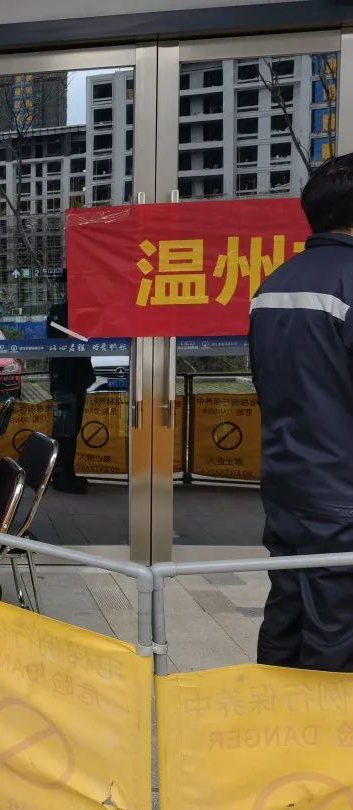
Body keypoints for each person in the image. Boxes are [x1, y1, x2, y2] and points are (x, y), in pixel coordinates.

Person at [249, 154, 353, 673]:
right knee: (338, 630)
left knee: (287, 613)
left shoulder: (275, 283)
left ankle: (271, 714)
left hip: (288, 482)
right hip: (343, 492)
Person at [47, 300, 95, 494]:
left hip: (76, 380)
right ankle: (61, 476)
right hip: (64, 380)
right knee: (64, 431)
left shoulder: (82, 310)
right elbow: (63, 341)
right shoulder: (60, 312)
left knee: (72, 429)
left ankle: (67, 472)